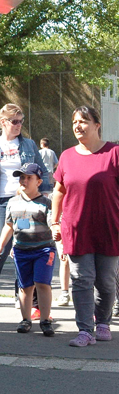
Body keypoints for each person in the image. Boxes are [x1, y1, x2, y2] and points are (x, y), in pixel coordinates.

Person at [50, 106, 119, 347]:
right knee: (81, 280)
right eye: (74, 122)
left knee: (106, 281)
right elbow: (59, 191)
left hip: (109, 228)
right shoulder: (67, 156)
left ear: (97, 125)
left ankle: (103, 322)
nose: (78, 126)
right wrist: (55, 221)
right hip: (77, 228)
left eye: (84, 121)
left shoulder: (114, 153)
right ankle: (85, 330)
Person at [0, 104, 50, 308]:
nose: (19, 125)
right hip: (0, 202)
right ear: (3, 122)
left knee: (22, 244)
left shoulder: (28, 145)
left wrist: (44, 194)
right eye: (15, 121)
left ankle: (21, 293)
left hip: (23, 201)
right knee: (1, 244)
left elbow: (42, 170)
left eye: (21, 121)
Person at [0, 163, 56, 336]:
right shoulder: (13, 202)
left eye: (29, 178)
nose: (24, 181)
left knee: (42, 283)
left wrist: (62, 244)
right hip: (21, 250)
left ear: (39, 182)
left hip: (44, 250)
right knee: (25, 286)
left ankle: (45, 320)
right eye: (22, 177)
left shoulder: (46, 203)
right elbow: (9, 225)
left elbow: (54, 226)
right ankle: (26, 319)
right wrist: (0, 246)